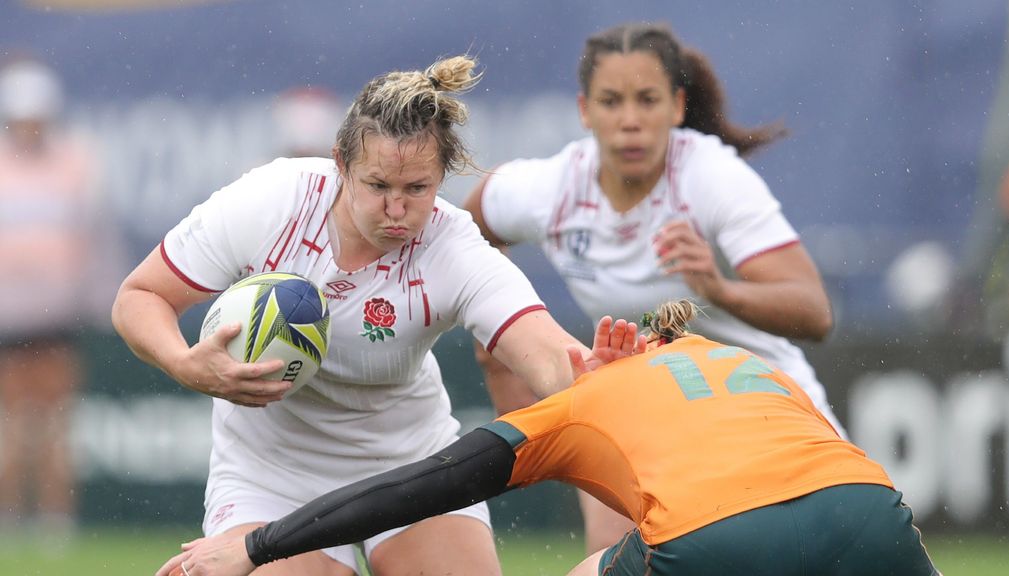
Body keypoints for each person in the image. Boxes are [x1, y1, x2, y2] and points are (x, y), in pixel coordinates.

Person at [111, 55, 641, 576]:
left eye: (417, 189)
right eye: (378, 186)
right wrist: (184, 363)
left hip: (410, 470)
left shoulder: (455, 248)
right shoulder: (271, 201)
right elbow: (139, 297)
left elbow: (548, 356)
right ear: (341, 163)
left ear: (441, 178)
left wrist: (590, 377)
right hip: (270, 476)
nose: (396, 209)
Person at [157, 299, 940, 576]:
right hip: (871, 513)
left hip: (718, 537)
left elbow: (414, 487)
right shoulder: (733, 360)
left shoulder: (572, 409)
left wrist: (257, 548)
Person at [462, 22, 838, 552]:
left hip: (763, 413)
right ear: (585, 111)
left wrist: (720, 289)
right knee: (612, 560)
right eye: (612, 102)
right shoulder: (553, 187)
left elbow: (815, 313)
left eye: (647, 100)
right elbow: (466, 233)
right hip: (648, 418)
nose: (631, 122)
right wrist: (495, 352)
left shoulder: (711, 176)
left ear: (677, 107)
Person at [0, 55, 104, 542]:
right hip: (7, 320)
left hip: (57, 318)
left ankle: (54, 519)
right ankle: (10, 514)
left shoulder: (74, 164)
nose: (30, 129)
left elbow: (93, 240)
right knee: (11, 425)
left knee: (55, 424)